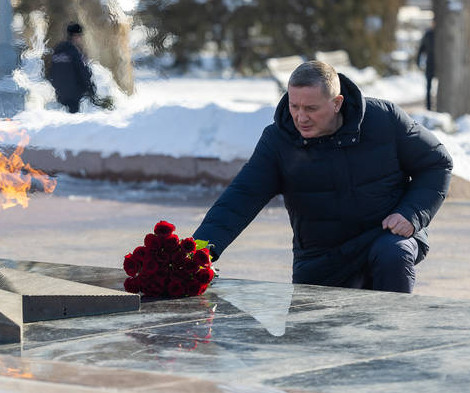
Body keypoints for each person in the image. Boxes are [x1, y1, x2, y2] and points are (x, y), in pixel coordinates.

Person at [193, 60, 453, 293]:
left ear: (337, 102)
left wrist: (412, 214)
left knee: (393, 254)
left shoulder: (384, 119)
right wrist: (198, 251)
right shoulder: (278, 140)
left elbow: (436, 163)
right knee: (310, 341)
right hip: (321, 255)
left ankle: (395, 336)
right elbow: (241, 196)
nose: (300, 117)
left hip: (382, 236)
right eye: (294, 106)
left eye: (311, 108)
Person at [47, 22, 95, 113]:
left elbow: (51, 71)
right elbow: (82, 71)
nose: (80, 38)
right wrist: (90, 88)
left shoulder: (58, 48)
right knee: (73, 120)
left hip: (60, 93)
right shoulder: (74, 51)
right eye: (79, 35)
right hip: (74, 93)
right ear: (75, 36)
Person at [415, 24, 435, 110]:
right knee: (429, 87)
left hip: (440, 65)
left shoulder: (441, 34)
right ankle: (429, 107)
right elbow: (421, 49)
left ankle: (431, 106)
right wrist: (418, 61)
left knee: (432, 87)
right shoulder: (428, 34)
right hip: (430, 63)